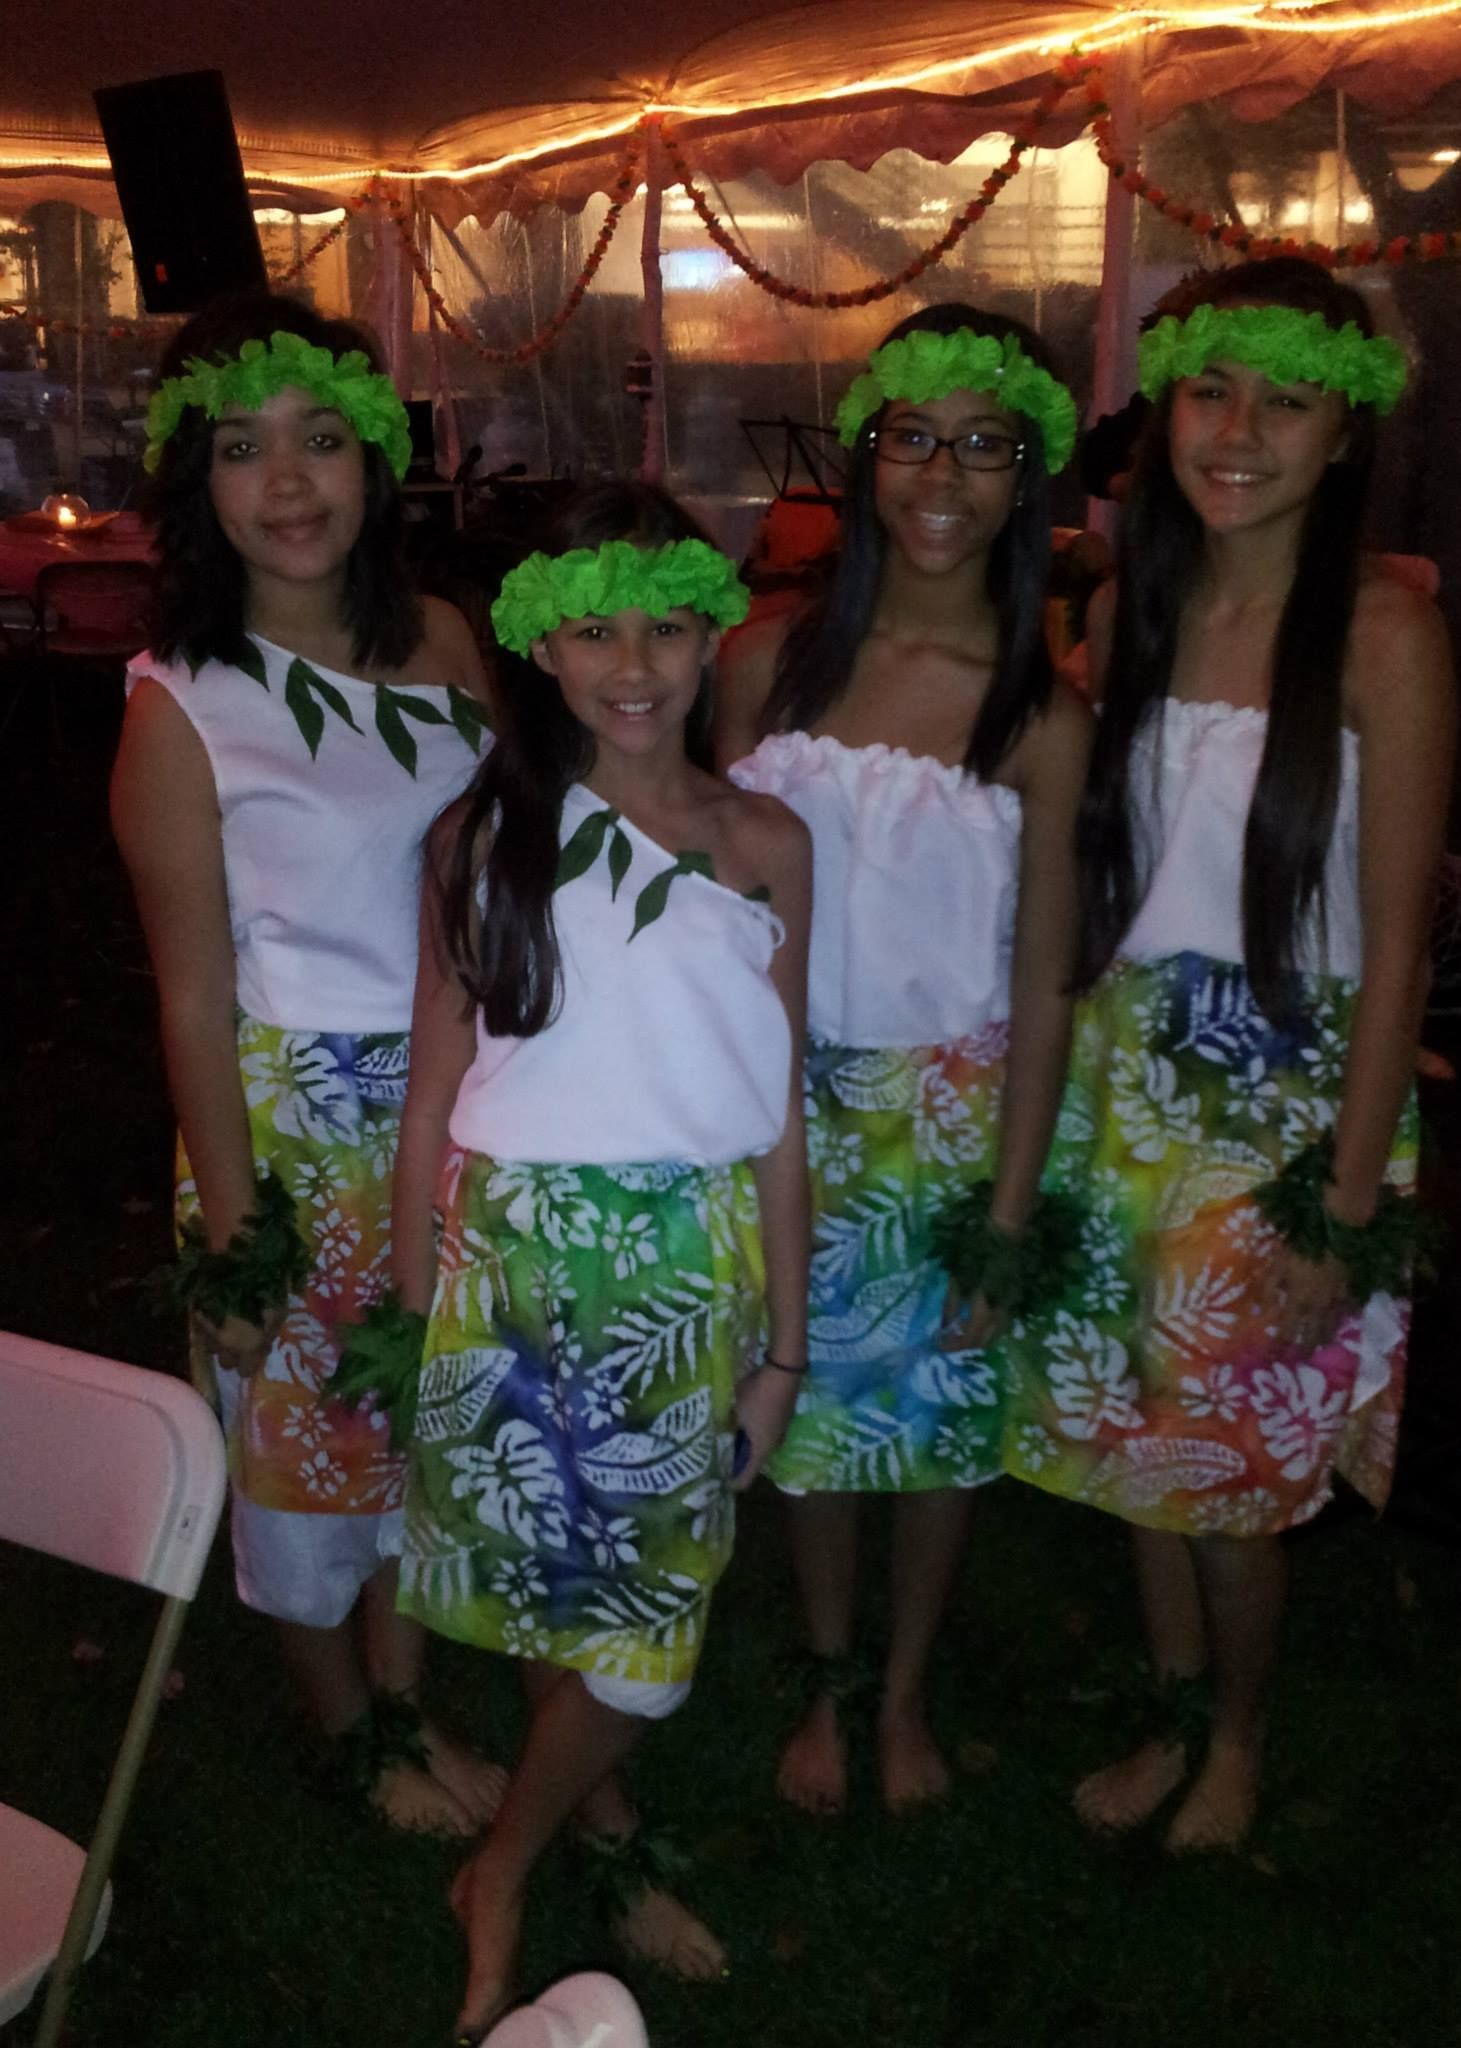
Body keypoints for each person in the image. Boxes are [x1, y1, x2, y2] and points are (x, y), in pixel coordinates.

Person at [1000, 258, 1454, 1850]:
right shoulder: (1131, 610)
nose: (1240, 432)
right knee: (1138, 1436)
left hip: (1280, 1105)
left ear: (1346, 433)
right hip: (1120, 1083)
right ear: (1165, 410)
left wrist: (1347, 1204)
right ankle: (1177, 1709)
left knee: (1234, 1472)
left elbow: (1399, 950)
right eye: (1212, 392)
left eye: (1287, 401)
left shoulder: (1385, 636)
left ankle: (1240, 1737)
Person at [390, 483, 811, 2042]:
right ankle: (607, 1838)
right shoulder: (482, 840)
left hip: (684, 1273)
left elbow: (779, 1112)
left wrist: (783, 1347)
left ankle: (501, 1867)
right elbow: (434, 1089)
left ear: (711, 637)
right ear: (542, 649)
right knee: (549, 1598)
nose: (633, 663)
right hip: (512, 1260)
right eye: (594, 630)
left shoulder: (765, 843)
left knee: (647, 1649)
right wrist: (418, 1305)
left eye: (668, 626)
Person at [111, 293, 503, 1834]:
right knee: (302, 1449)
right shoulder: (180, 704)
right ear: (193, 481)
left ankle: (403, 1703)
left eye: (320, 439)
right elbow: (192, 999)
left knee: (418, 1425)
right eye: (241, 449)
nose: (287, 482)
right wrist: (234, 1233)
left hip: (466, 1104)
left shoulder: (445, 642)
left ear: (376, 455)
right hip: (298, 1130)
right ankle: (350, 1731)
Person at [717, 304, 1093, 1815]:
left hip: (953, 1114)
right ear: (868, 457)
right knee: (805, 1410)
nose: (943, 476)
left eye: (984, 446)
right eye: (914, 438)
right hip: (787, 1102)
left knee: (939, 1424)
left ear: (1028, 476)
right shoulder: (764, 664)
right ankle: (826, 1673)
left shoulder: (1041, 713)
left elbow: (1046, 980)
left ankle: (908, 1688)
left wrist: (1008, 1208)